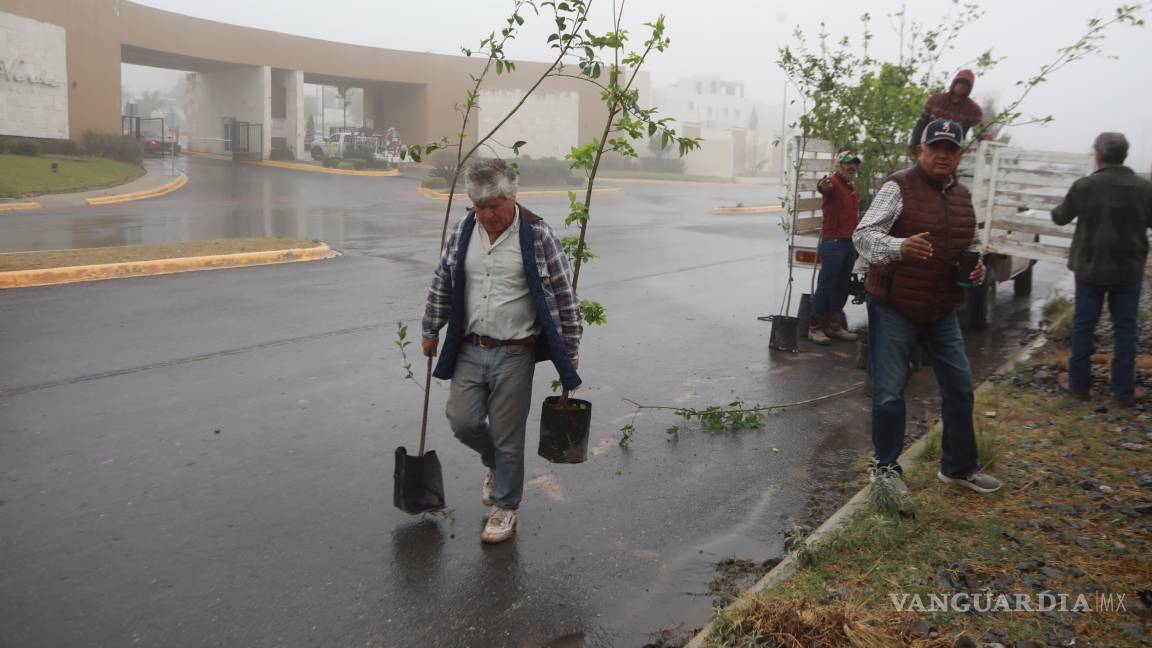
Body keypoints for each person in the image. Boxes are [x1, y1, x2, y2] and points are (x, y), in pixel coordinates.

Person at [421, 158, 583, 543]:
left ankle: (505, 506)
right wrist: (431, 328)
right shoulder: (463, 231)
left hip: (515, 352)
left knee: (509, 436)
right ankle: (494, 464)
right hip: (470, 346)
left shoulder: (537, 235)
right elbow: (443, 282)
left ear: (512, 198)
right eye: (480, 207)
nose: (487, 215)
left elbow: (563, 297)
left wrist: (570, 349)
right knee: (461, 420)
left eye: (494, 206)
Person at [854, 118, 1001, 495]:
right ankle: (885, 471)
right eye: (935, 147)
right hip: (894, 304)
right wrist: (899, 247)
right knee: (889, 392)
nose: (942, 154)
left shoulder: (962, 196)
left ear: (959, 155)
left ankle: (958, 467)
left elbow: (967, 245)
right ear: (921, 150)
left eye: (951, 149)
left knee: (960, 387)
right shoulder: (898, 186)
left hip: (940, 307)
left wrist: (976, 267)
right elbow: (864, 236)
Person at [1052, 132, 1152, 406]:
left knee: (1084, 326)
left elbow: (1060, 217)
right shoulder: (1144, 188)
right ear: (1124, 155)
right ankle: (1123, 392)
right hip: (1128, 270)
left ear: (1098, 155)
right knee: (1126, 330)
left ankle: (1079, 387)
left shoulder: (1084, 186)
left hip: (1089, 269)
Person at [809, 151, 864, 346]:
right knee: (826, 285)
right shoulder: (832, 182)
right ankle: (815, 328)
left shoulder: (852, 187)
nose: (852, 167)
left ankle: (834, 325)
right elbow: (824, 188)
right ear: (839, 165)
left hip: (849, 242)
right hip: (833, 242)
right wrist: (823, 184)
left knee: (842, 286)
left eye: (855, 164)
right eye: (848, 163)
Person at [908, 70, 985, 157]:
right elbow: (921, 123)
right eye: (960, 82)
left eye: (965, 84)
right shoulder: (935, 100)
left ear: (969, 88)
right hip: (930, 145)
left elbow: (980, 131)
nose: (961, 86)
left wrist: (984, 136)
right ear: (954, 83)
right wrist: (913, 146)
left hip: (952, 151)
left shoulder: (973, 110)